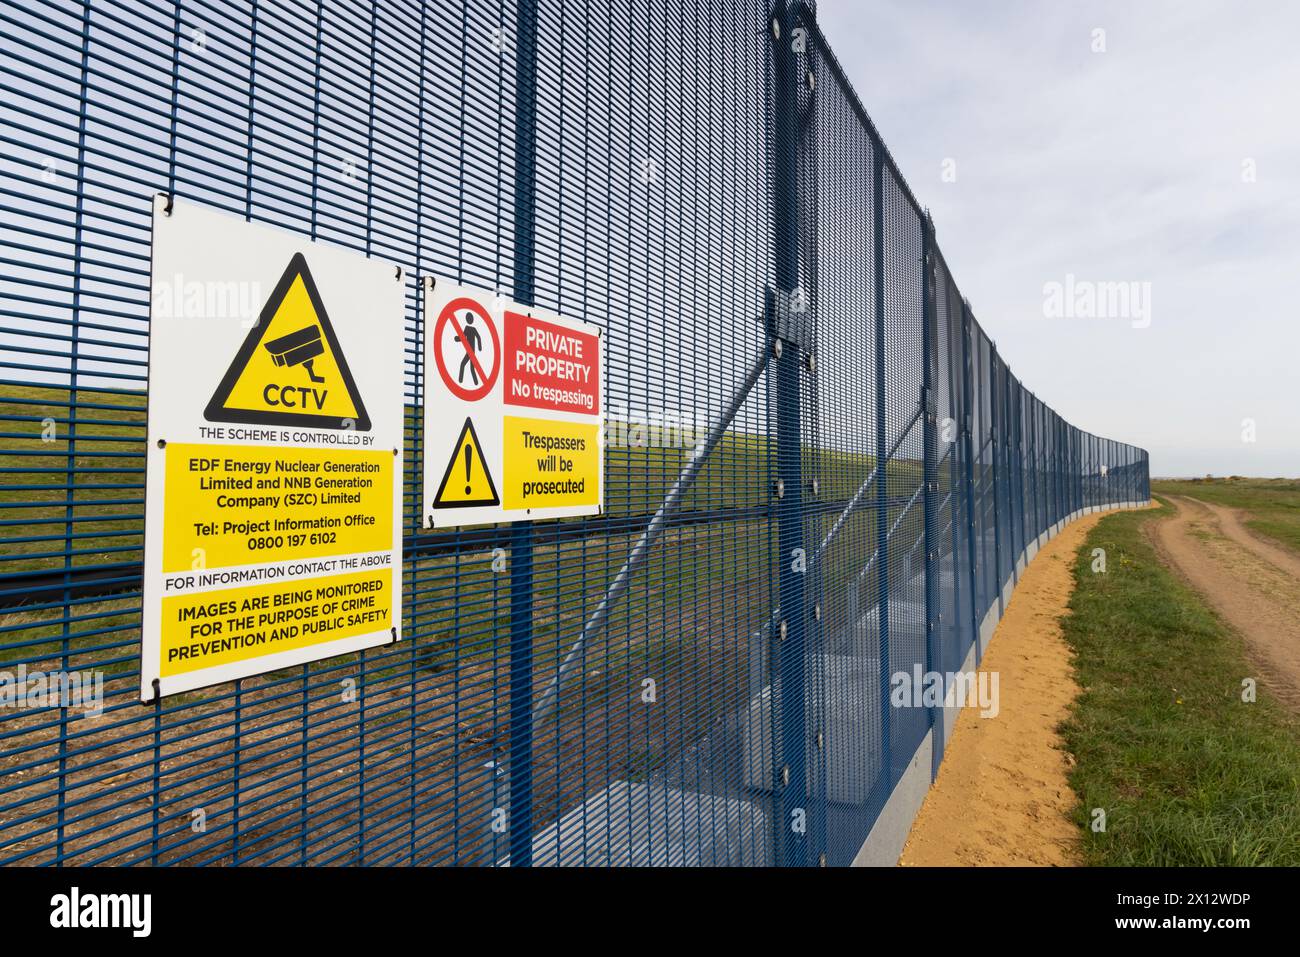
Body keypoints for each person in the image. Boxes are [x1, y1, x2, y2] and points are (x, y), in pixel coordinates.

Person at [455, 312, 483, 385]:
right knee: (471, 368)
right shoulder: (473, 329)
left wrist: (456, 339)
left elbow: (462, 337)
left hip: (470, 351)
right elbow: (478, 337)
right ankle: (476, 382)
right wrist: (479, 347)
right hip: (472, 351)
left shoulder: (467, 328)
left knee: (463, 364)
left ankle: (460, 381)